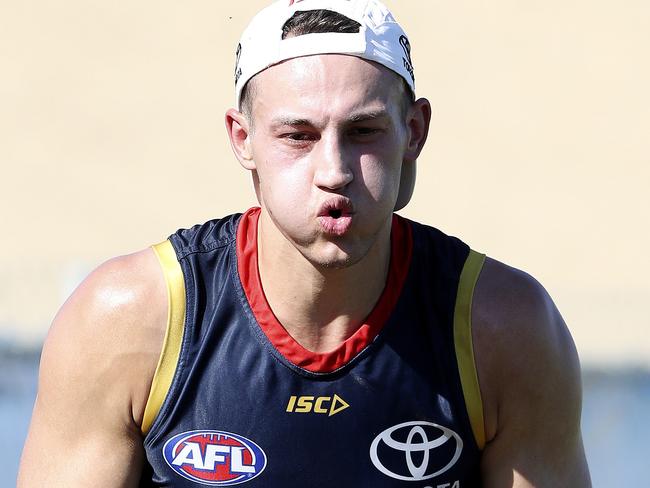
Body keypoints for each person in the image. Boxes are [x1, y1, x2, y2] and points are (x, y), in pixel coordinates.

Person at [18, 0, 591, 486]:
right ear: (242, 140)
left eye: (363, 132)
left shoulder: (503, 328)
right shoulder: (131, 321)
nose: (334, 171)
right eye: (298, 136)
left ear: (413, 131)